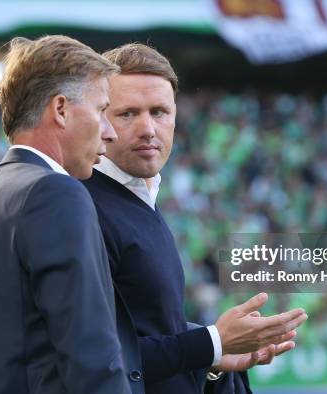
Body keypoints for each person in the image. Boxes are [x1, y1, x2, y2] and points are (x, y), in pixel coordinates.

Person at [82, 43, 308, 394]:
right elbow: (97, 358)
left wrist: (214, 361)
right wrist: (212, 342)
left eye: (159, 112)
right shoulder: (83, 207)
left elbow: (153, 343)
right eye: (128, 113)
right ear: (100, 118)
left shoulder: (142, 200)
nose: (147, 128)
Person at [0, 35, 142, 394]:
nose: (111, 132)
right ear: (61, 109)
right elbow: (92, 356)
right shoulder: (57, 194)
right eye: (102, 111)